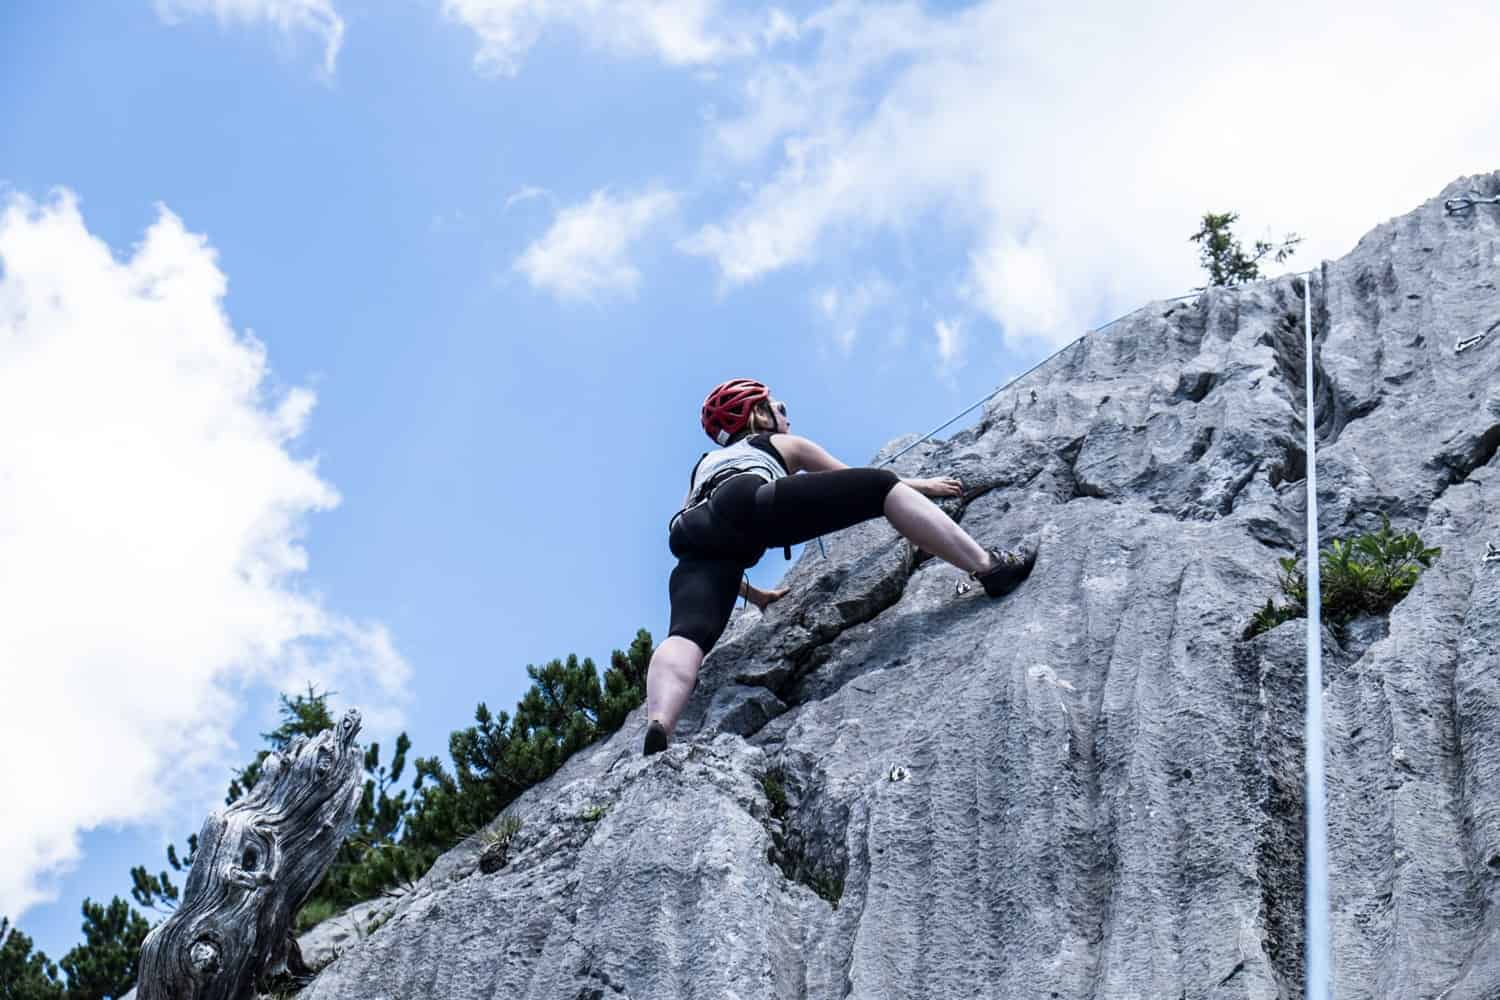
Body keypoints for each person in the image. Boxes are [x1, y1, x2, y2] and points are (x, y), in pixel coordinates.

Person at [643, 378, 1035, 756]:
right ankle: (989, 566)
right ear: (759, 417)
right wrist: (925, 485)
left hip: (690, 532)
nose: (786, 415)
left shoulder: (703, 466)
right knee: (880, 487)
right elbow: (847, 478)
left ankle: (661, 722)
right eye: (779, 407)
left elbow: (716, 533)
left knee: (687, 634)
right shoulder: (778, 442)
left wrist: (756, 595)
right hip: (747, 499)